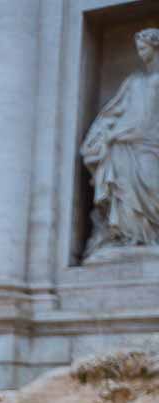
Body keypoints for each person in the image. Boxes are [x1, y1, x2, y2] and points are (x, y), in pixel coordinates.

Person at [81, 28, 159, 257]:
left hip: (150, 144)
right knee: (124, 188)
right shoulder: (134, 82)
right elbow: (114, 113)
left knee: (152, 187)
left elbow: (146, 120)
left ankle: (151, 235)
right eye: (138, 48)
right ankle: (130, 236)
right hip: (128, 145)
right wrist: (103, 136)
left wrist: (120, 134)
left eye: (143, 48)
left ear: (155, 47)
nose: (140, 52)